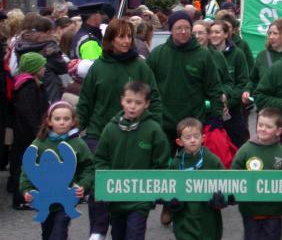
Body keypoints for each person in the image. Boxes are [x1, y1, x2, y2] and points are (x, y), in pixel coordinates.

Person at [77, 18, 163, 239]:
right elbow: (86, 101)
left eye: (129, 36)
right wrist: (74, 131)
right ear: (110, 40)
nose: (126, 41)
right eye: (121, 36)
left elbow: (154, 98)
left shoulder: (140, 66)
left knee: (125, 188)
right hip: (99, 133)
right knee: (100, 184)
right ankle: (97, 231)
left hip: (134, 134)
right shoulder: (98, 67)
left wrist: (153, 126)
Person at [94, 80, 170, 240]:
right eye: (129, 101)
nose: (132, 106)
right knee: (118, 235)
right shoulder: (110, 129)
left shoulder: (153, 130)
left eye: (138, 102)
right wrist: (107, 180)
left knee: (135, 234)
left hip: (140, 198)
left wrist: (153, 188)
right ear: (122, 100)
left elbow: (161, 163)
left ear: (147, 104)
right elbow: (100, 159)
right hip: (115, 196)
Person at [20, 101, 94, 240]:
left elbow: (89, 167)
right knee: (47, 233)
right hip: (44, 197)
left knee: (59, 232)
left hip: (66, 197)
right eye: (57, 119)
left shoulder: (78, 143)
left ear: (73, 122)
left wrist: (83, 185)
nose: (62, 122)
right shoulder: (39, 143)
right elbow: (27, 169)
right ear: (49, 121)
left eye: (66, 119)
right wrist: (26, 190)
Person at [147, 11, 224, 142]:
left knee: (192, 162)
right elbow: (146, 88)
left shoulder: (203, 55)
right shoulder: (157, 54)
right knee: (163, 162)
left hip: (193, 125)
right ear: (170, 30)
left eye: (187, 28)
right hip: (163, 124)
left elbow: (214, 88)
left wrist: (217, 116)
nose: (183, 31)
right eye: (178, 28)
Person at [232, 108, 282, 240]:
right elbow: (234, 175)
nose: (263, 129)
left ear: (278, 131)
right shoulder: (245, 150)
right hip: (251, 211)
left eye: (268, 126)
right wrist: (235, 196)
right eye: (260, 125)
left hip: (274, 211)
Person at [169, 117, 225, 240]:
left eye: (196, 136)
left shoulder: (212, 159)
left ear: (203, 138)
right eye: (188, 137)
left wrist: (221, 198)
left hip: (208, 215)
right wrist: (173, 203)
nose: (193, 140)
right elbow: (170, 190)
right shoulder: (175, 163)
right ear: (179, 142)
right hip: (185, 216)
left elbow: (225, 184)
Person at [10, 52, 48, 210]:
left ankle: (26, 197)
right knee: (26, 166)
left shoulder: (29, 84)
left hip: (25, 132)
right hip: (27, 133)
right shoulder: (28, 86)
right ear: (35, 68)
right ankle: (21, 198)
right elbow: (29, 111)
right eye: (42, 66)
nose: (45, 68)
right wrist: (38, 130)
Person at [210, 20, 250, 147]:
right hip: (211, 110)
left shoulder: (238, 54)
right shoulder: (206, 54)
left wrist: (228, 102)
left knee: (237, 144)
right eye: (211, 32)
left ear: (226, 34)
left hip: (233, 110)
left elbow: (243, 82)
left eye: (217, 32)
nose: (214, 35)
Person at [242, 19, 282, 106]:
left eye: (275, 33)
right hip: (264, 109)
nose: (271, 37)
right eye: (269, 33)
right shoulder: (262, 56)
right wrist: (247, 91)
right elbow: (253, 80)